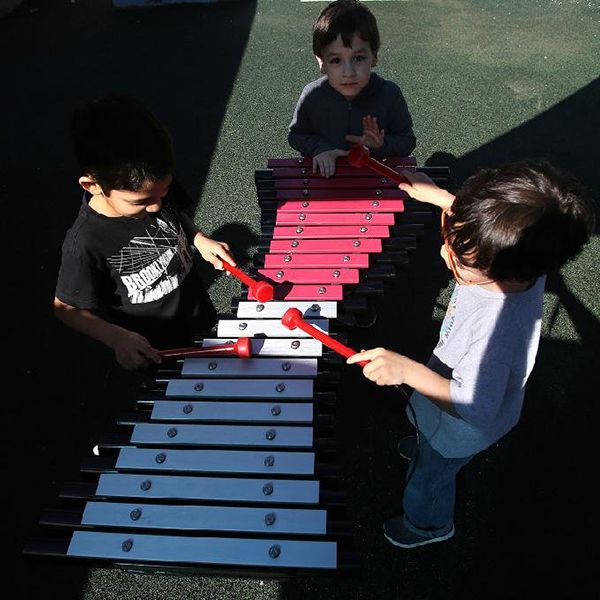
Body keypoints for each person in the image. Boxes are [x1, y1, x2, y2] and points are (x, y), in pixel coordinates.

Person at [348, 161, 595, 548]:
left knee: (429, 478)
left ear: (502, 268)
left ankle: (427, 525)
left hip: (463, 426)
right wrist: (444, 200)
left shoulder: (497, 334)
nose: (445, 252)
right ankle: (424, 440)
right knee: (428, 430)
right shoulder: (526, 262)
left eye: (460, 256)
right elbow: (477, 226)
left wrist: (407, 371)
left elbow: (473, 406)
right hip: (451, 398)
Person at [54, 95, 235, 371]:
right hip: (154, 345)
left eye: (163, 193)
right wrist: (115, 337)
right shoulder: (85, 242)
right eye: (140, 202)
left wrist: (199, 239)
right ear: (92, 185)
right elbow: (65, 308)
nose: (156, 206)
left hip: (196, 310)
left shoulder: (153, 185)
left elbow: (176, 217)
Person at [288, 0, 416, 178]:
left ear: (374, 57)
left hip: (373, 179)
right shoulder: (312, 95)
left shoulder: (389, 94)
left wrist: (380, 145)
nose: (348, 72)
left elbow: (407, 141)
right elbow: (296, 136)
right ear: (322, 62)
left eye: (358, 58)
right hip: (326, 179)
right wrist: (320, 148)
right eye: (336, 60)